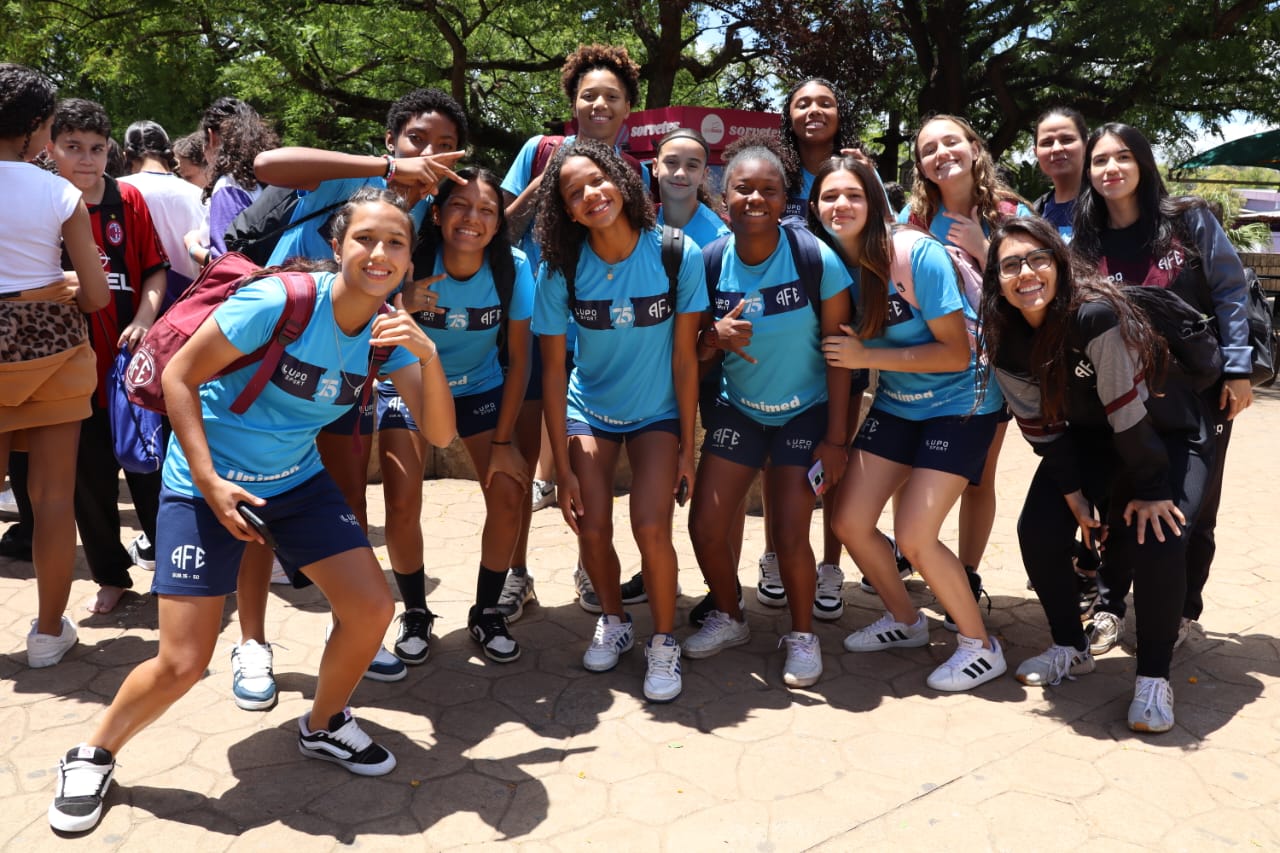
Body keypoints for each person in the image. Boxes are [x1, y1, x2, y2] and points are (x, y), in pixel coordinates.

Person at [47, 187, 456, 833]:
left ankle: (324, 722)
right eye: (365, 239)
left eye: (396, 243)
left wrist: (427, 353)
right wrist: (209, 482)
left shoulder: (391, 334)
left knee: (372, 609)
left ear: (409, 259)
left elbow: (439, 433)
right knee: (183, 661)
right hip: (203, 481)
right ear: (337, 245)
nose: (380, 253)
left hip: (297, 480)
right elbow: (180, 376)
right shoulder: (281, 301)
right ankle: (90, 753)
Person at [236, 88, 467, 699]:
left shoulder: (425, 208)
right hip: (273, 360)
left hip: (344, 369)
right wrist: (389, 167)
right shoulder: (354, 179)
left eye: (445, 145)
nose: (431, 153)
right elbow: (267, 165)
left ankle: (349, 631)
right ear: (392, 140)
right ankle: (252, 645)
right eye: (418, 139)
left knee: (347, 501)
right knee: (257, 507)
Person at [982, 216, 1211, 730]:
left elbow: (1128, 412)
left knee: (1160, 537)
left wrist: (1152, 488)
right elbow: (1039, 425)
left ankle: (1153, 677)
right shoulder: (1003, 337)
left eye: (1038, 258)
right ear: (996, 279)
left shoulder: (1094, 315)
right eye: (1011, 265)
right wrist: (1073, 493)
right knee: (1038, 529)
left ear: (1059, 264)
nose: (1026, 273)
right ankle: (1071, 646)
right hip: (1093, 436)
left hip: (1167, 431)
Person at [822, 155, 1008, 692]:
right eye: (829, 196)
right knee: (849, 522)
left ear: (875, 202)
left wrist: (867, 357)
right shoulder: (832, 265)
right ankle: (905, 621)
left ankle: (980, 646)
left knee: (915, 535)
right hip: (900, 403)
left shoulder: (912, 252)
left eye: (854, 195)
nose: (841, 205)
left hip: (962, 401)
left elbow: (955, 352)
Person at [533, 138, 705, 701]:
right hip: (590, 411)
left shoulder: (676, 252)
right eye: (573, 192)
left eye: (597, 180)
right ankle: (614, 619)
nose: (590, 194)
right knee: (591, 525)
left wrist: (687, 448)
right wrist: (560, 469)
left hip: (657, 412)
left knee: (651, 526)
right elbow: (552, 371)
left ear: (622, 181)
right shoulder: (561, 270)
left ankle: (663, 640)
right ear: (566, 210)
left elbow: (686, 358)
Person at [1071, 122, 1251, 656]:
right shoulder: (1085, 241)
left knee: (1195, 510)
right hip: (1123, 399)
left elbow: (1230, 290)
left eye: (1123, 156)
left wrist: (1238, 369)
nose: (1111, 168)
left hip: (1200, 392)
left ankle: (1184, 609)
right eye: (1100, 160)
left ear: (1143, 163)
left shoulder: (1188, 220)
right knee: (1120, 500)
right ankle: (1109, 606)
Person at [682, 135, 851, 689]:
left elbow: (840, 354)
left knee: (788, 530)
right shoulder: (709, 262)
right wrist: (714, 337)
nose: (756, 198)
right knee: (705, 526)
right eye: (743, 188)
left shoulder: (814, 258)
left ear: (785, 200)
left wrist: (836, 439)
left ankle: (802, 636)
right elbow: (693, 351)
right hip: (740, 411)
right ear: (722, 197)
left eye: (769, 190)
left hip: (805, 414)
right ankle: (730, 616)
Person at [384, 167, 536, 663]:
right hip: (410, 385)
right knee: (400, 503)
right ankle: (415, 612)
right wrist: (401, 303)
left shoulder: (513, 268)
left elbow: (520, 360)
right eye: (459, 205)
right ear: (437, 212)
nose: (472, 218)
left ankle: (487, 611)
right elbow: (362, 316)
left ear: (499, 222)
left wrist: (503, 441)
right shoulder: (411, 260)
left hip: (480, 388)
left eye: (486, 210)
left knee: (509, 495)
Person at [502, 44, 646, 546]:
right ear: (573, 103)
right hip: (532, 323)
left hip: (599, 330)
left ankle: (589, 568)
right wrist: (552, 177)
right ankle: (516, 569)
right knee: (522, 459)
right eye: (589, 95)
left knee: (591, 470)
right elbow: (500, 231)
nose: (599, 105)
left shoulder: (635, 173)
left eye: (612, 96)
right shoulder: (538, 151)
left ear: (628, 108)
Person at [899, 113, 1030, 627]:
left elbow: (1038, 288)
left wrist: (985, 250)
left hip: (991, 373)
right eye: (929, 149)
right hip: (928, 371)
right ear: (921, 166)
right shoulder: (914, 217)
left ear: (975, 148)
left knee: (978, 478)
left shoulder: (1010, 213)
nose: (942, 154)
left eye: (951, 142)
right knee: (916, 470)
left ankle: (967, 574)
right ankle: (916, 554)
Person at [0, 63, 110, 666]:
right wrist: (59, 286)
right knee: (52, 499)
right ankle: (47, 634)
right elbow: (95, 297)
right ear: (40, 127)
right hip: (52, 354)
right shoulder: (61, 194)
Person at [45, 99, 170, 615]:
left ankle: (173, 567)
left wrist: (144, 318)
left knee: (151, 472)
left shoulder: (129, 200)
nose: (86, 159)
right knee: (88, 481)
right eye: (73, 146)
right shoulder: (44, 203)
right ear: (51, 148)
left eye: (96, 148)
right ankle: (111, 576)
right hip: (68, 369)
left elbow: (156, 269)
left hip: (129, 370)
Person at [119, 120, 207, 296]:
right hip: (192, 299)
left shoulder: (118, 190)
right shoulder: (199, 195)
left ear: (126, 155)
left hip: (138, 298)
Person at [192, 97, 278, 264]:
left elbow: (228, 263)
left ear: (212, 137)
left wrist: (193, 248)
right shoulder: (267, 180)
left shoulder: (229, 187)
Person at [1031, 107, 1088, 238]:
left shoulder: (1108, 205)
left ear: (1086, 145)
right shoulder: (1034, 214)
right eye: (1047, 143)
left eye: (1067, 140)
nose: (1056, 149)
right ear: (1036, 152)